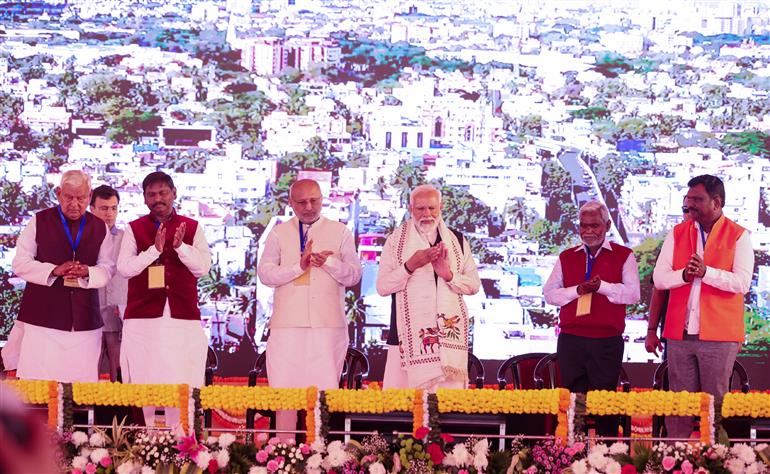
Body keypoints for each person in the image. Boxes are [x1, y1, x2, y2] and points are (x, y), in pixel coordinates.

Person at [257, 178, 362, 440]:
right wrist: (298, 268)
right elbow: (265, 274)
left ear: (322, 199)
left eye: (314, 200)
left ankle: (321, 454)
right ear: (291, 203)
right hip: (287, 325)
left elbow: (354, 276)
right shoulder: (279, 233)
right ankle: (284, 452)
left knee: (323, 395)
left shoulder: (340, 232)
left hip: (327, 326)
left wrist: (329, 263)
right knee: (285, 394)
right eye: (302, 202)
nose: (309, 207)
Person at [653, 175, 753, 439]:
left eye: (697, 199)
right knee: (679, 407)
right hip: (680, 333)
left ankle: (717, 460)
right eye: (689, 199)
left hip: (719, 336)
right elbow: (659, 279)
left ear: (716, 202)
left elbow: (742, 283)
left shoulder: (739, 236)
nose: (690, 204)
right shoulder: (677, 233)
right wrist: (685, 276)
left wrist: (706, 273)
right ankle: (675, 460)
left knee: (716, 404)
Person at [117, 172, 211, 428]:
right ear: (145, 198)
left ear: (174, 193)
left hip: (183, 320)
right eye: (152, 194)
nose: (158, 199)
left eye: (163, 193)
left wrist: (180, 247)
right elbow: (124, 268)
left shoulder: (192, 227)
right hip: (143, 320)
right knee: (143, 383)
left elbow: (202, 268)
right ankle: (145, 442)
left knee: (182, 383)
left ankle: (183, 444)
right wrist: (154, 251)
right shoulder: (134, 229)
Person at [543, 201, 640, 437]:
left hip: (606, 341)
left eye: (594, 225)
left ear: (607, 225)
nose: (588, 231)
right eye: (583, 226)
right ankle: (572, 456)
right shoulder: (567, 257)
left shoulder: (623, 255)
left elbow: (634, 294)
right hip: (571, 340)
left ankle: (606, 460)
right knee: (573, 404)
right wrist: (577, 290)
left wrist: (602, 287)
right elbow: (549, 294)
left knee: (604, 405)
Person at [11, 170, 114, 382]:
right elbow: (20, 263)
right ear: (58, 194)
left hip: (85, 321)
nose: (74, 204)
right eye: (69, 197)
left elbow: (107, 268)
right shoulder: (39, 221)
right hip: (42, 319)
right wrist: (53, 270)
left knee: (80, 391)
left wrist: (88, 272)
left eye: (81, 198)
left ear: (89, 196)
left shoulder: (99, 227)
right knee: (38, 388)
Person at [376, 184, 480, 390]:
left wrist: (448, 275)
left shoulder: (457, 240)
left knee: (445, 411)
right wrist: (409, 266)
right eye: (420, 209)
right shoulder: (395, 242)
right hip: (405, 340)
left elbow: (474, 285)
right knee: (401, 409)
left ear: (441, 207)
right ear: (410, 208)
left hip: (447, 343)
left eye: (432, 208)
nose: (427, 214)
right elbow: (382, 287)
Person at [89, 185, 127, 382]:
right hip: (89, 318)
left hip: (116, 315)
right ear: (92, 209)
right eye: (104, 208)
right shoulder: (82, 238)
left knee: (119, 376)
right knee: (86, 376)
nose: (110, 214)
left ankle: (121, 414)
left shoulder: (126, 239)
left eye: (114, 208)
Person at [645, 199, 691, 359]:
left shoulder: (721, 243)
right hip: (675, 333)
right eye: (686, 209)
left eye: (694, 208)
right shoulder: (672, 243)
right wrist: (651, 331)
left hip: (713, 335)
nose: (689, 214)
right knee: (673, 383)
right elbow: (659, 290)